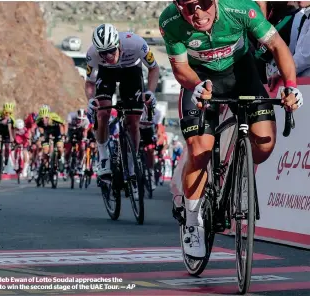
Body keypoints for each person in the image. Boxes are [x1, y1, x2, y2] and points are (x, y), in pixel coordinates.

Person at [159, 0, 304, 258]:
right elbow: (180, 68)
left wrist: (290, 85)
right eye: (188, 7)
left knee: (264, 143)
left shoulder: (240, 8)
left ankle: (238, 170)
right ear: (178, 6)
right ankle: (192, 221)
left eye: (203, 3)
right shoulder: (171, 21)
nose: (198, 12)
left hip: (241, 73)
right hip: (199, 78)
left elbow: (277, 45)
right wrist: (197, 86)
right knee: (200, 149)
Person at [85, 23, 160, 181]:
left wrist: (150, 92)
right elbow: (90, 82)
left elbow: (154, 68)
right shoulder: (92, 53)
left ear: (118, 44)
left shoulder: (136, 43)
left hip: (131, 72)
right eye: (103, 53)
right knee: (103, 112)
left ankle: (131, 164)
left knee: (133, 122)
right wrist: (90, 100)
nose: (108, 56)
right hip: (107, 73)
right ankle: (104, 157)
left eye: (111, 51)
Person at [36, 106, 67, 172]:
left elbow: (64, 124)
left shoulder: (55, 117)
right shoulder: (38, 119)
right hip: (46, 133)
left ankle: (60, 159)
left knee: (59, 147)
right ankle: (46, 164)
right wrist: (41, 135)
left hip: (56, 132)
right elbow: (39, 128)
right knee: (45, 151)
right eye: (42, 118)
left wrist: (64, 134)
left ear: (49, 116)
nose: (44, 120)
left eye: (46, 118)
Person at [65, 108, 90, 175]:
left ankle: (79, 162)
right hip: (71, 130)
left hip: (80, 131)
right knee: (68, 147)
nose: (80, 120)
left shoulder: (87, 120)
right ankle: (66, 162)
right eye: (79, 119)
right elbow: (66, 125)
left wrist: (84, 138)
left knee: (82, 147)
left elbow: (85, 131)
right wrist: (65, 135)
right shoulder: (71, 116)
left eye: (82, 119)